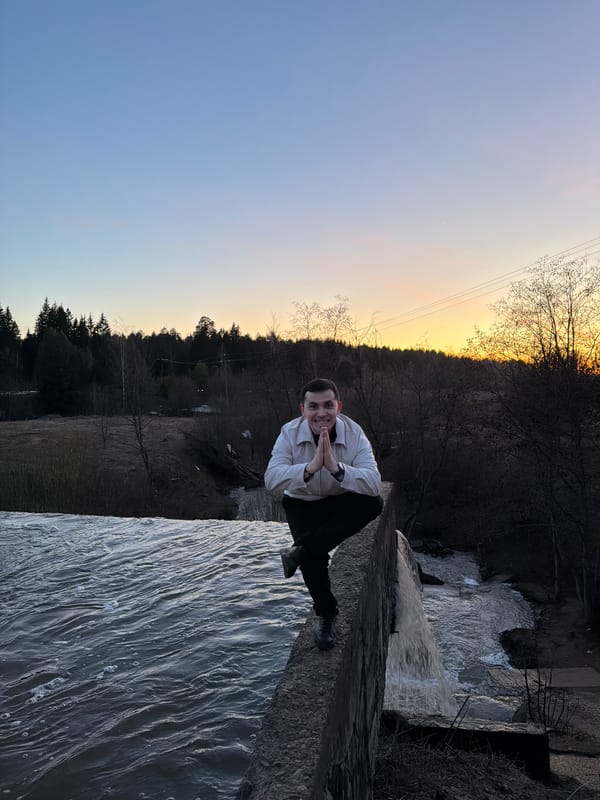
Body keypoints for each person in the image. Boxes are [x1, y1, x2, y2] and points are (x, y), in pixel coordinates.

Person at [264, 378, 383, 650]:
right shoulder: (288, 434)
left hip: (339, 498)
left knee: (373, 503)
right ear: (302, 409)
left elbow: (374, 482)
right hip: (302, 501)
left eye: (328, 405)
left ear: (338, 406)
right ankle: (327, 614)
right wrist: (309, 468)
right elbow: (271, 481)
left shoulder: (354, 433)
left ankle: (300, 550)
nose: (321, 413)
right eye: (313, 406)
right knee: (313, 562)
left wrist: (337, 469)